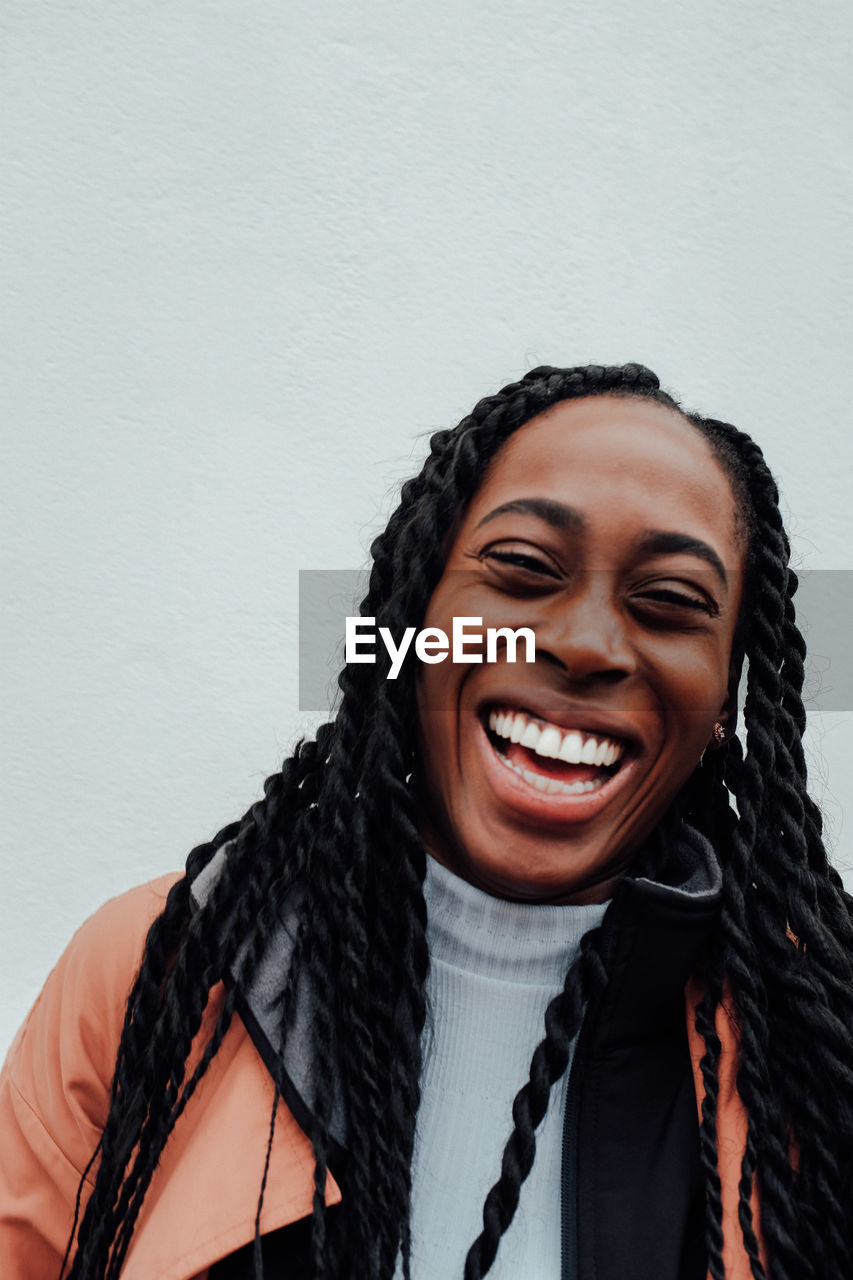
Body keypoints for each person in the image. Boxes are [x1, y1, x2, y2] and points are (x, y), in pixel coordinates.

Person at [1, 363, 851, 1280]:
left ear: (724, 698)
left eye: (670, 603)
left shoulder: (819, 1049)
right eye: (523, 569)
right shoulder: (156, 967)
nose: (582, 645)